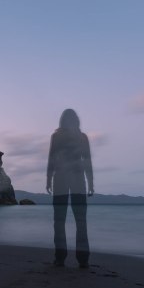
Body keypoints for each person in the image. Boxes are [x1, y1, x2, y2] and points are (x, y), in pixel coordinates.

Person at [46, 108, 94, 268]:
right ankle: (83, 259)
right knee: (81, 222)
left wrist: (48, 179)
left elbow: (51, 159)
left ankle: (60, 257)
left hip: (60, 181)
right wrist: (91, 183)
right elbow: (87, 161)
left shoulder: (56, 136)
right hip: (79, 183)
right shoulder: (82, 137)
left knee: (59, 222)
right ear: (77, 121)